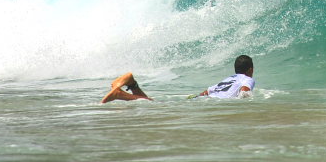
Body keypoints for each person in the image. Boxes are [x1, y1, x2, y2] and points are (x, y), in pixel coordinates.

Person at [100, 55, 255, 103]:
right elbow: (244, 92)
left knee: (154, 104)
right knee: (153, 105)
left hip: (202, 99)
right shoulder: (247, 79)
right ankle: (123, 93)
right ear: (250, 70)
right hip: (209, 103)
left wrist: (191, 98)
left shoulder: (228, 79)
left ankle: (132, 85)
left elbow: (206, 92)